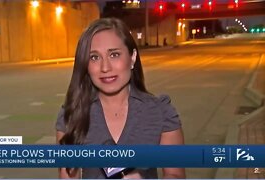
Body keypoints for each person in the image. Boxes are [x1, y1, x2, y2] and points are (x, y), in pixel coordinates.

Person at [55, 18, 185, 179]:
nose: (105, 67)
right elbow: (68, 176)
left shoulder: (161, 113)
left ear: (132, 57)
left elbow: (175, 174)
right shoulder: (71, 115)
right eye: (94, 57)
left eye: (114, 54)